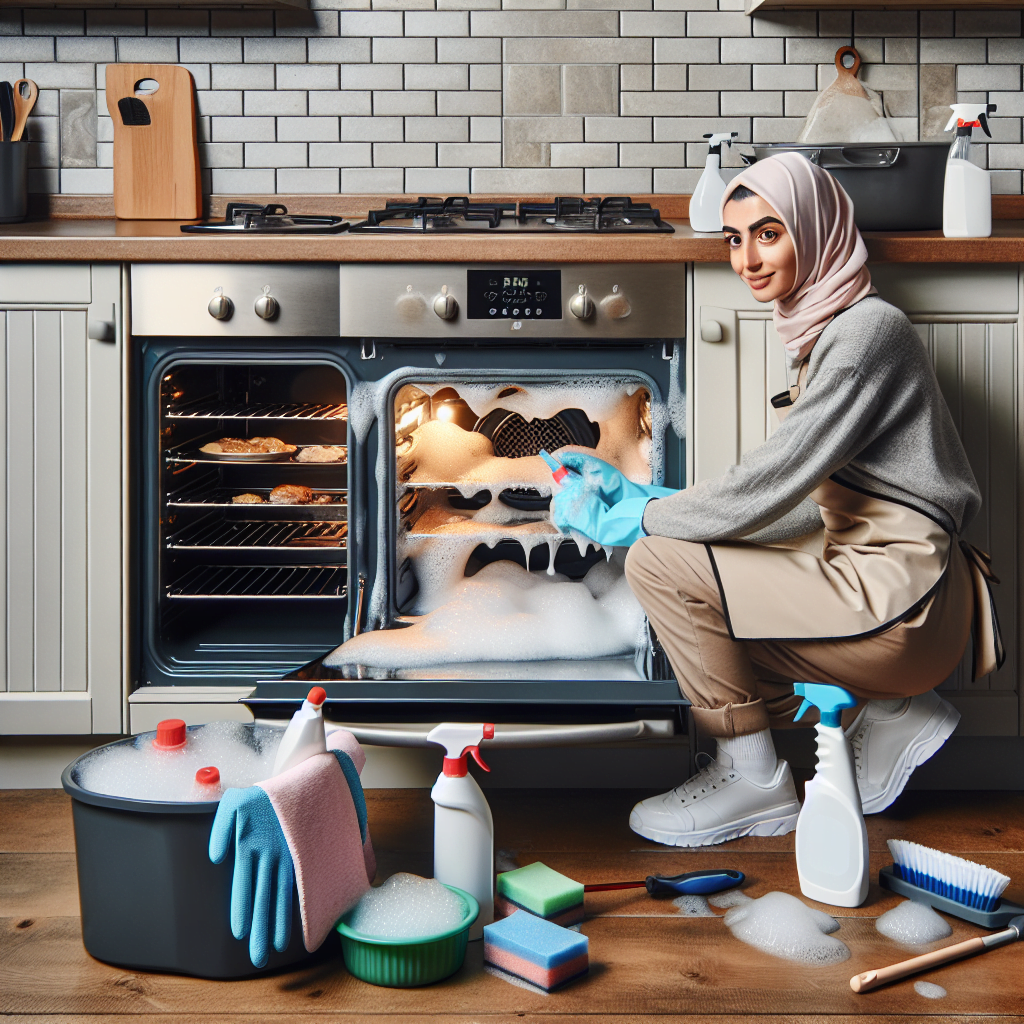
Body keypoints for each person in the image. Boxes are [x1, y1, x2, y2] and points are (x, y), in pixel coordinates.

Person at [553, 152, 1002, 848]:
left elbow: (773, 484)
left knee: (656, 568)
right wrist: (652, 496)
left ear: (817, 229)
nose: (748, 260)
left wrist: (640, 518)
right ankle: (890, 709)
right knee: (693, 576)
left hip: (904, 606)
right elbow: (802, 507)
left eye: (769, 233)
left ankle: (753, 779)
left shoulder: (864, 333)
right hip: (901, 597)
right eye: (734, 239)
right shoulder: (829, 329)